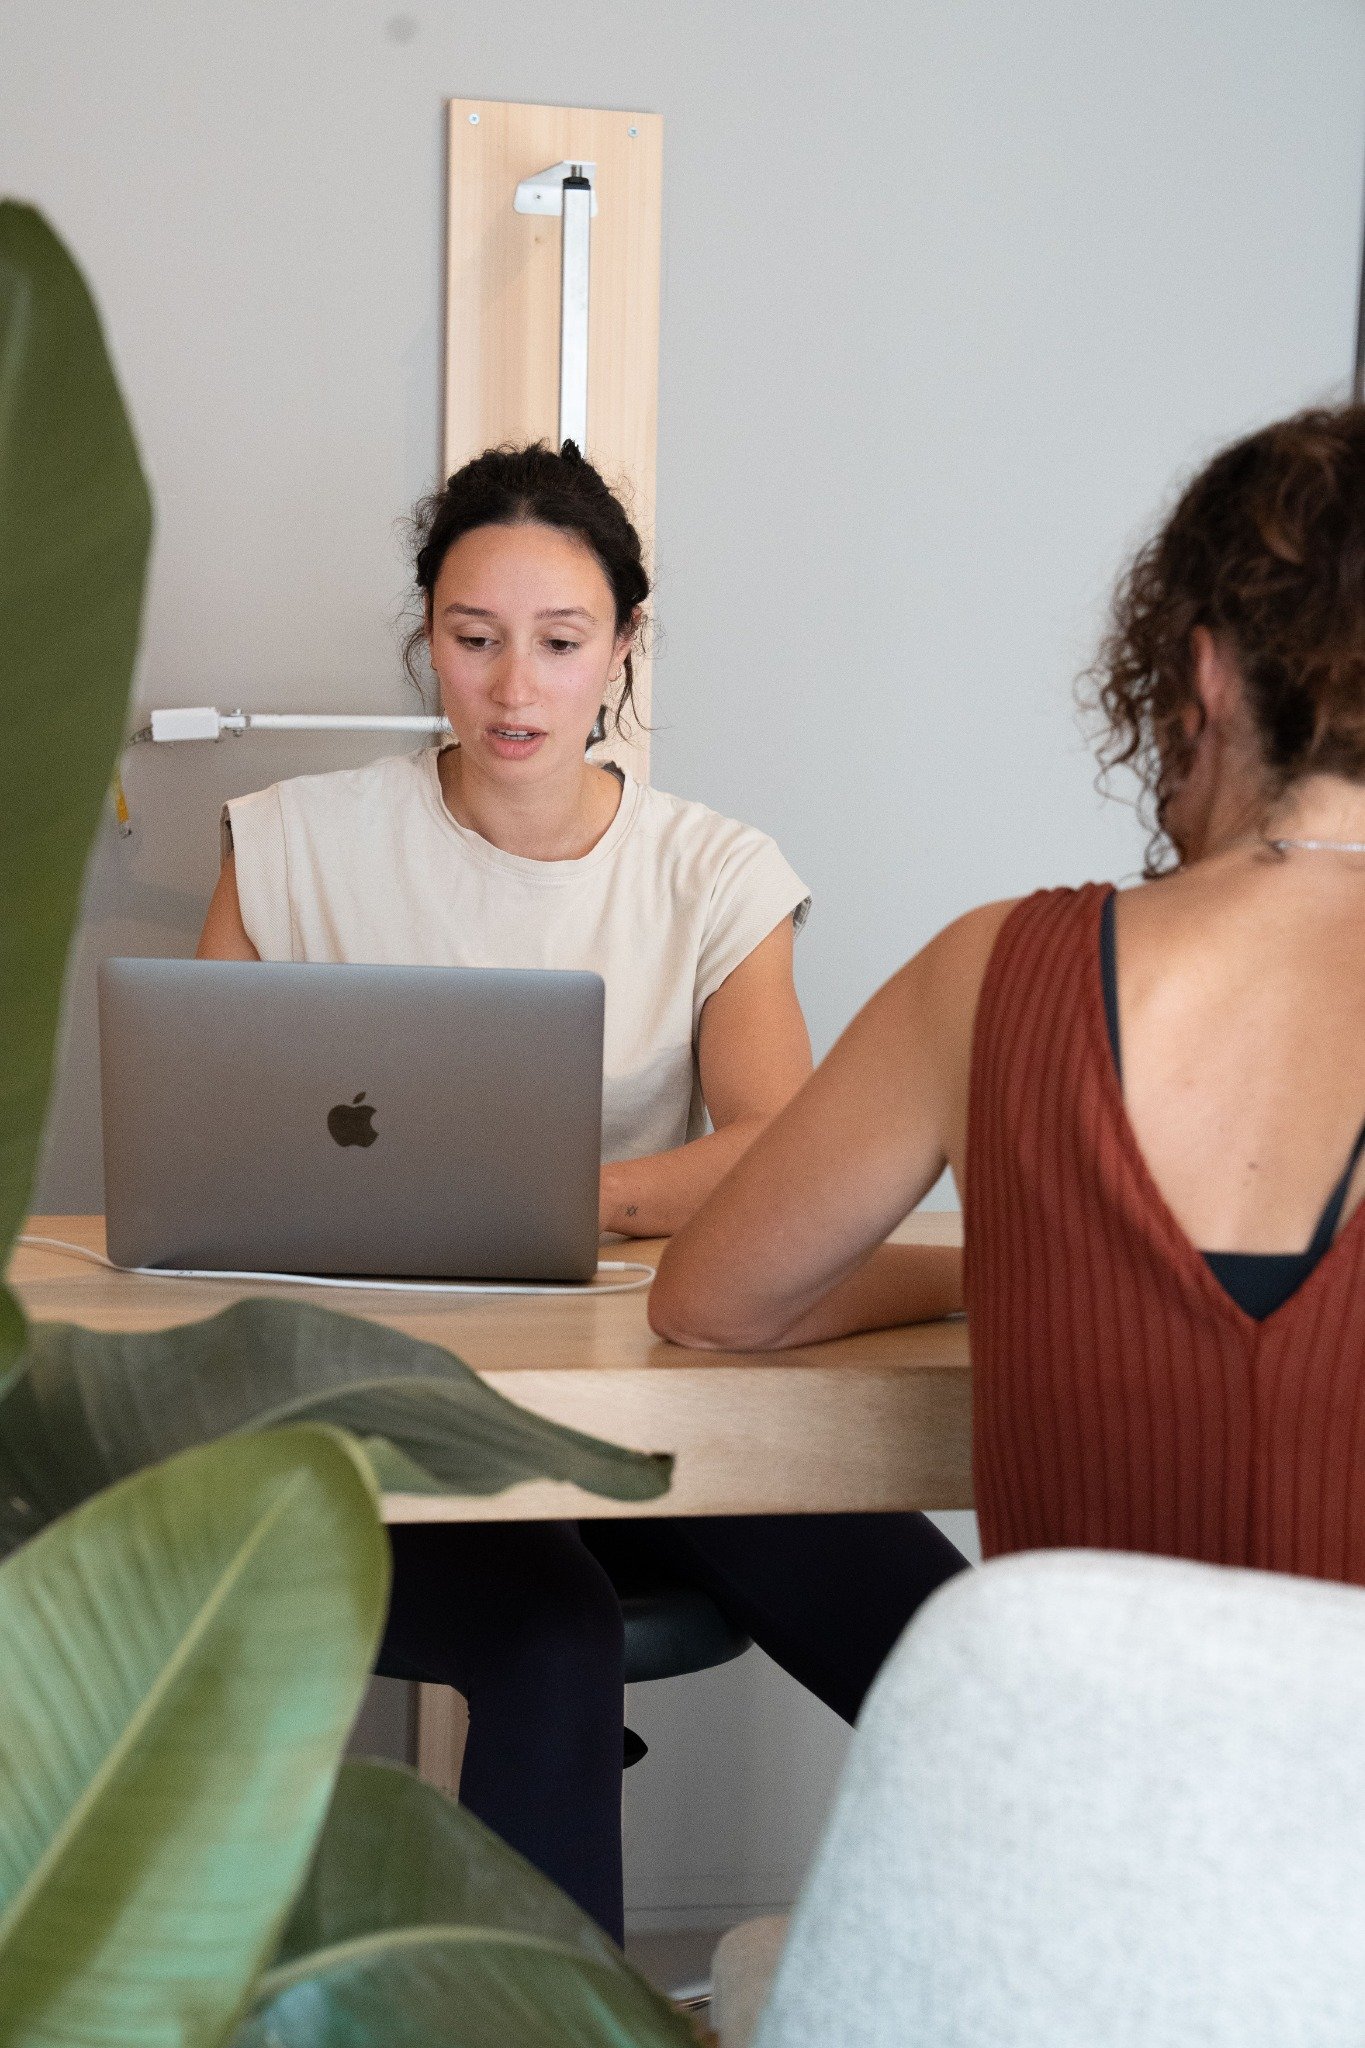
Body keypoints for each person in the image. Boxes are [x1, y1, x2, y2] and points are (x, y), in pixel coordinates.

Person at [197, 441, 965, 1942]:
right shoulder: (293, 842)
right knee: (546, 1634)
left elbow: (776, 1146)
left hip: (638, 1416)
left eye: (558, 644)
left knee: (951, 1649)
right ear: (427, 636)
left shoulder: (712, 871)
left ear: (620, 650)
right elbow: (209, 1133)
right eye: (473, 639)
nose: (511, 686)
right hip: (389, 1429)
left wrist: (566, 1193)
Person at [652, 403, 1365, 1591]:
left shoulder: (996, 973)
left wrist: (993, 1272)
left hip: (1058, 1772)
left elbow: (714, 1305)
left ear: (1202, 673)